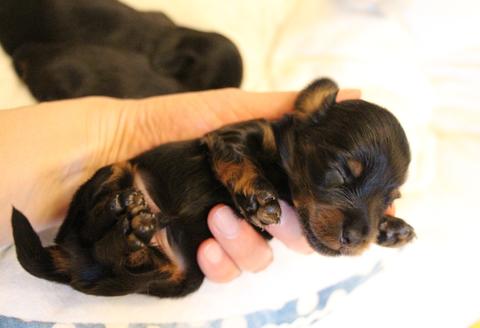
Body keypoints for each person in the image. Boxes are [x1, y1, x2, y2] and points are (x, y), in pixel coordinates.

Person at [0, 87, 389, 283]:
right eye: (343, 174)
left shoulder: (299, 196)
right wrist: (248, 187)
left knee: (181, 279)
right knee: (109, 193)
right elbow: (222, 144)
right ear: (309, 113)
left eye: (384, 199)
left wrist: (376, 222)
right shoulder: (268, 136)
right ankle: (113, 242)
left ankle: (131, 254)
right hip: (124, 190)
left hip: (170, 255)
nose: (359, 227)